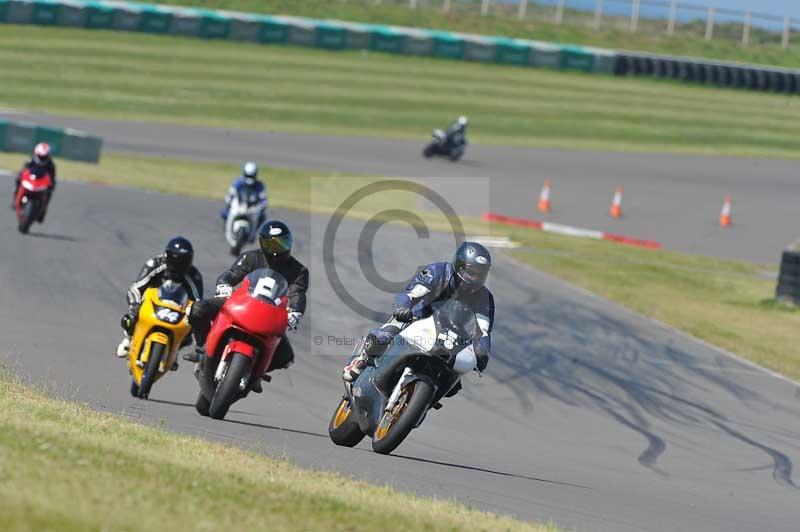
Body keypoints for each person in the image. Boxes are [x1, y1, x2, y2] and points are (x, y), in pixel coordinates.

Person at [343, 241, 494, 385]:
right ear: (458, 266)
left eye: (480, 274)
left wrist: (482, 351)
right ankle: (361, 359)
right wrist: (403, 308)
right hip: (417, 318)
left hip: (451, 336)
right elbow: (410, 294)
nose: (475, 278)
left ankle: (423, 402)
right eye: (471, 272)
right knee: (384, 336)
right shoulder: (438, 272)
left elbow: (484, 330)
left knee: (455, 381)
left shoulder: (485, 298)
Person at [184, 220, 309, 394]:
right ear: (262, 242)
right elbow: (232, 274)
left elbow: (298, 293)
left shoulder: (298, 270)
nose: (276, 248)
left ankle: (255, 372)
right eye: (270, 243)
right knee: (198, 309)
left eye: (281, 242)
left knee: (286, 357)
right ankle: (201, 348)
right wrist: (224, 284)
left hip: (271, 315)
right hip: (240, 304)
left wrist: (295, 311)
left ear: (289, 242)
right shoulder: (251, 257)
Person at [115, 237, 204, 362]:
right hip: (151, 303)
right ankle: (129, 338)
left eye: (183, 261)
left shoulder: (194, 276)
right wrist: (134, 306)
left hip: (178, 309)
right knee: (128, 320)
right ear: (168, 256)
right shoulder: (155, 264)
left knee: (189, 335)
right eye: (176, 260)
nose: (179, 265)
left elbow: (199, 303)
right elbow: (136, 287)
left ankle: (174, 350)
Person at [12, 143, 57, 220]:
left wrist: (51, 185)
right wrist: (20, 176)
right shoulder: (30, 160)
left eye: (44, 157)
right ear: (36, 153)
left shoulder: (51, 165)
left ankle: (43, 210)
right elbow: (23, 171)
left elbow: (52, 177)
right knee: (17, 180)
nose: (42, 158)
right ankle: (15, 198)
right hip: (30, 182)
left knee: (49, 192)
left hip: (42, 184)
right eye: (40, 156)